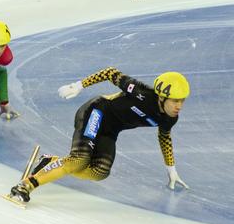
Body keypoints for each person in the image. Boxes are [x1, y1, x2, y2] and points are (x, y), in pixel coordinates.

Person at [10, 67, 190, 202]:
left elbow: (164, 138)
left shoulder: (169, 119)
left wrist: (171, 170)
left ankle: (50, 162)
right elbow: (110, 73)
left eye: (182, 101)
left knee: (100, 172)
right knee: (79, 159)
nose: (179, 106)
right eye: (175, 101)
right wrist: (78, 86)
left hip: (110, 131)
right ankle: (26, 185)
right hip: (96, 112)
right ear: (161, 97)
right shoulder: (141, 93)